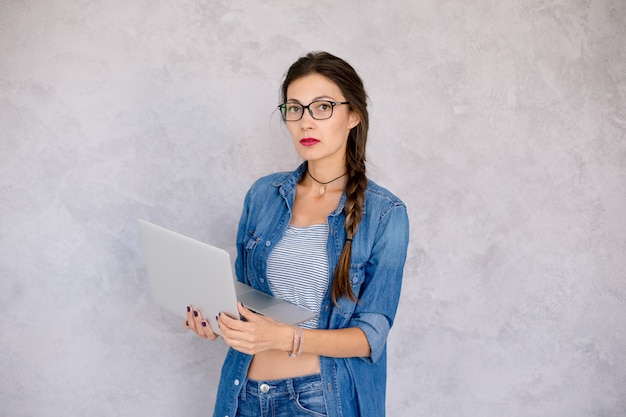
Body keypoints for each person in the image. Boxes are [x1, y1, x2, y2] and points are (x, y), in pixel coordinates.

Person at [185, 51, 409, 417]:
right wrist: (216, 321)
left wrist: (285, 338)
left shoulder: (385, 213)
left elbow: (371, 336)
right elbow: (246, 302)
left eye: (322, 107)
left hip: (318, 400)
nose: (306, 122)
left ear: (353, 115)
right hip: (241, 395)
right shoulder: (263, 195)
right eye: (294, 108)